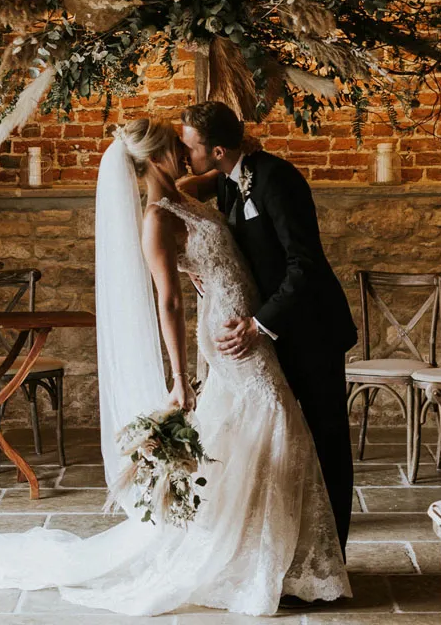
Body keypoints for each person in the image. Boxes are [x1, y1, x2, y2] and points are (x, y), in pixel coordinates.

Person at [0, 118, 349, 617]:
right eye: (175, 146)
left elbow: (228, 172)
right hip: (230, 333)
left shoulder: (188, 192)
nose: (184, 151)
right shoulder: (155, 219)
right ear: (153, 158)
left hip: (249, 321)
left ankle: (276, 556)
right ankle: (261, 559)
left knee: (265, 431)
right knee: (274, 420)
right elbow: (167, 301)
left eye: (185, 144)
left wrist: (242, 145)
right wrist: (179, 378)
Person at [178, 101, 357, 554]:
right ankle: (293, 549)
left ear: (217, 151)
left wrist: (259, 324)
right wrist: (203, 269)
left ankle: (333, 553)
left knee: (326, 440)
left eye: (190, 147)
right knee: (288, 442)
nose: (185, 155)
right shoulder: (226, 180)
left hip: (312, 329)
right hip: (274, 337)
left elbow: (304, 264)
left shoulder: (277, 179)